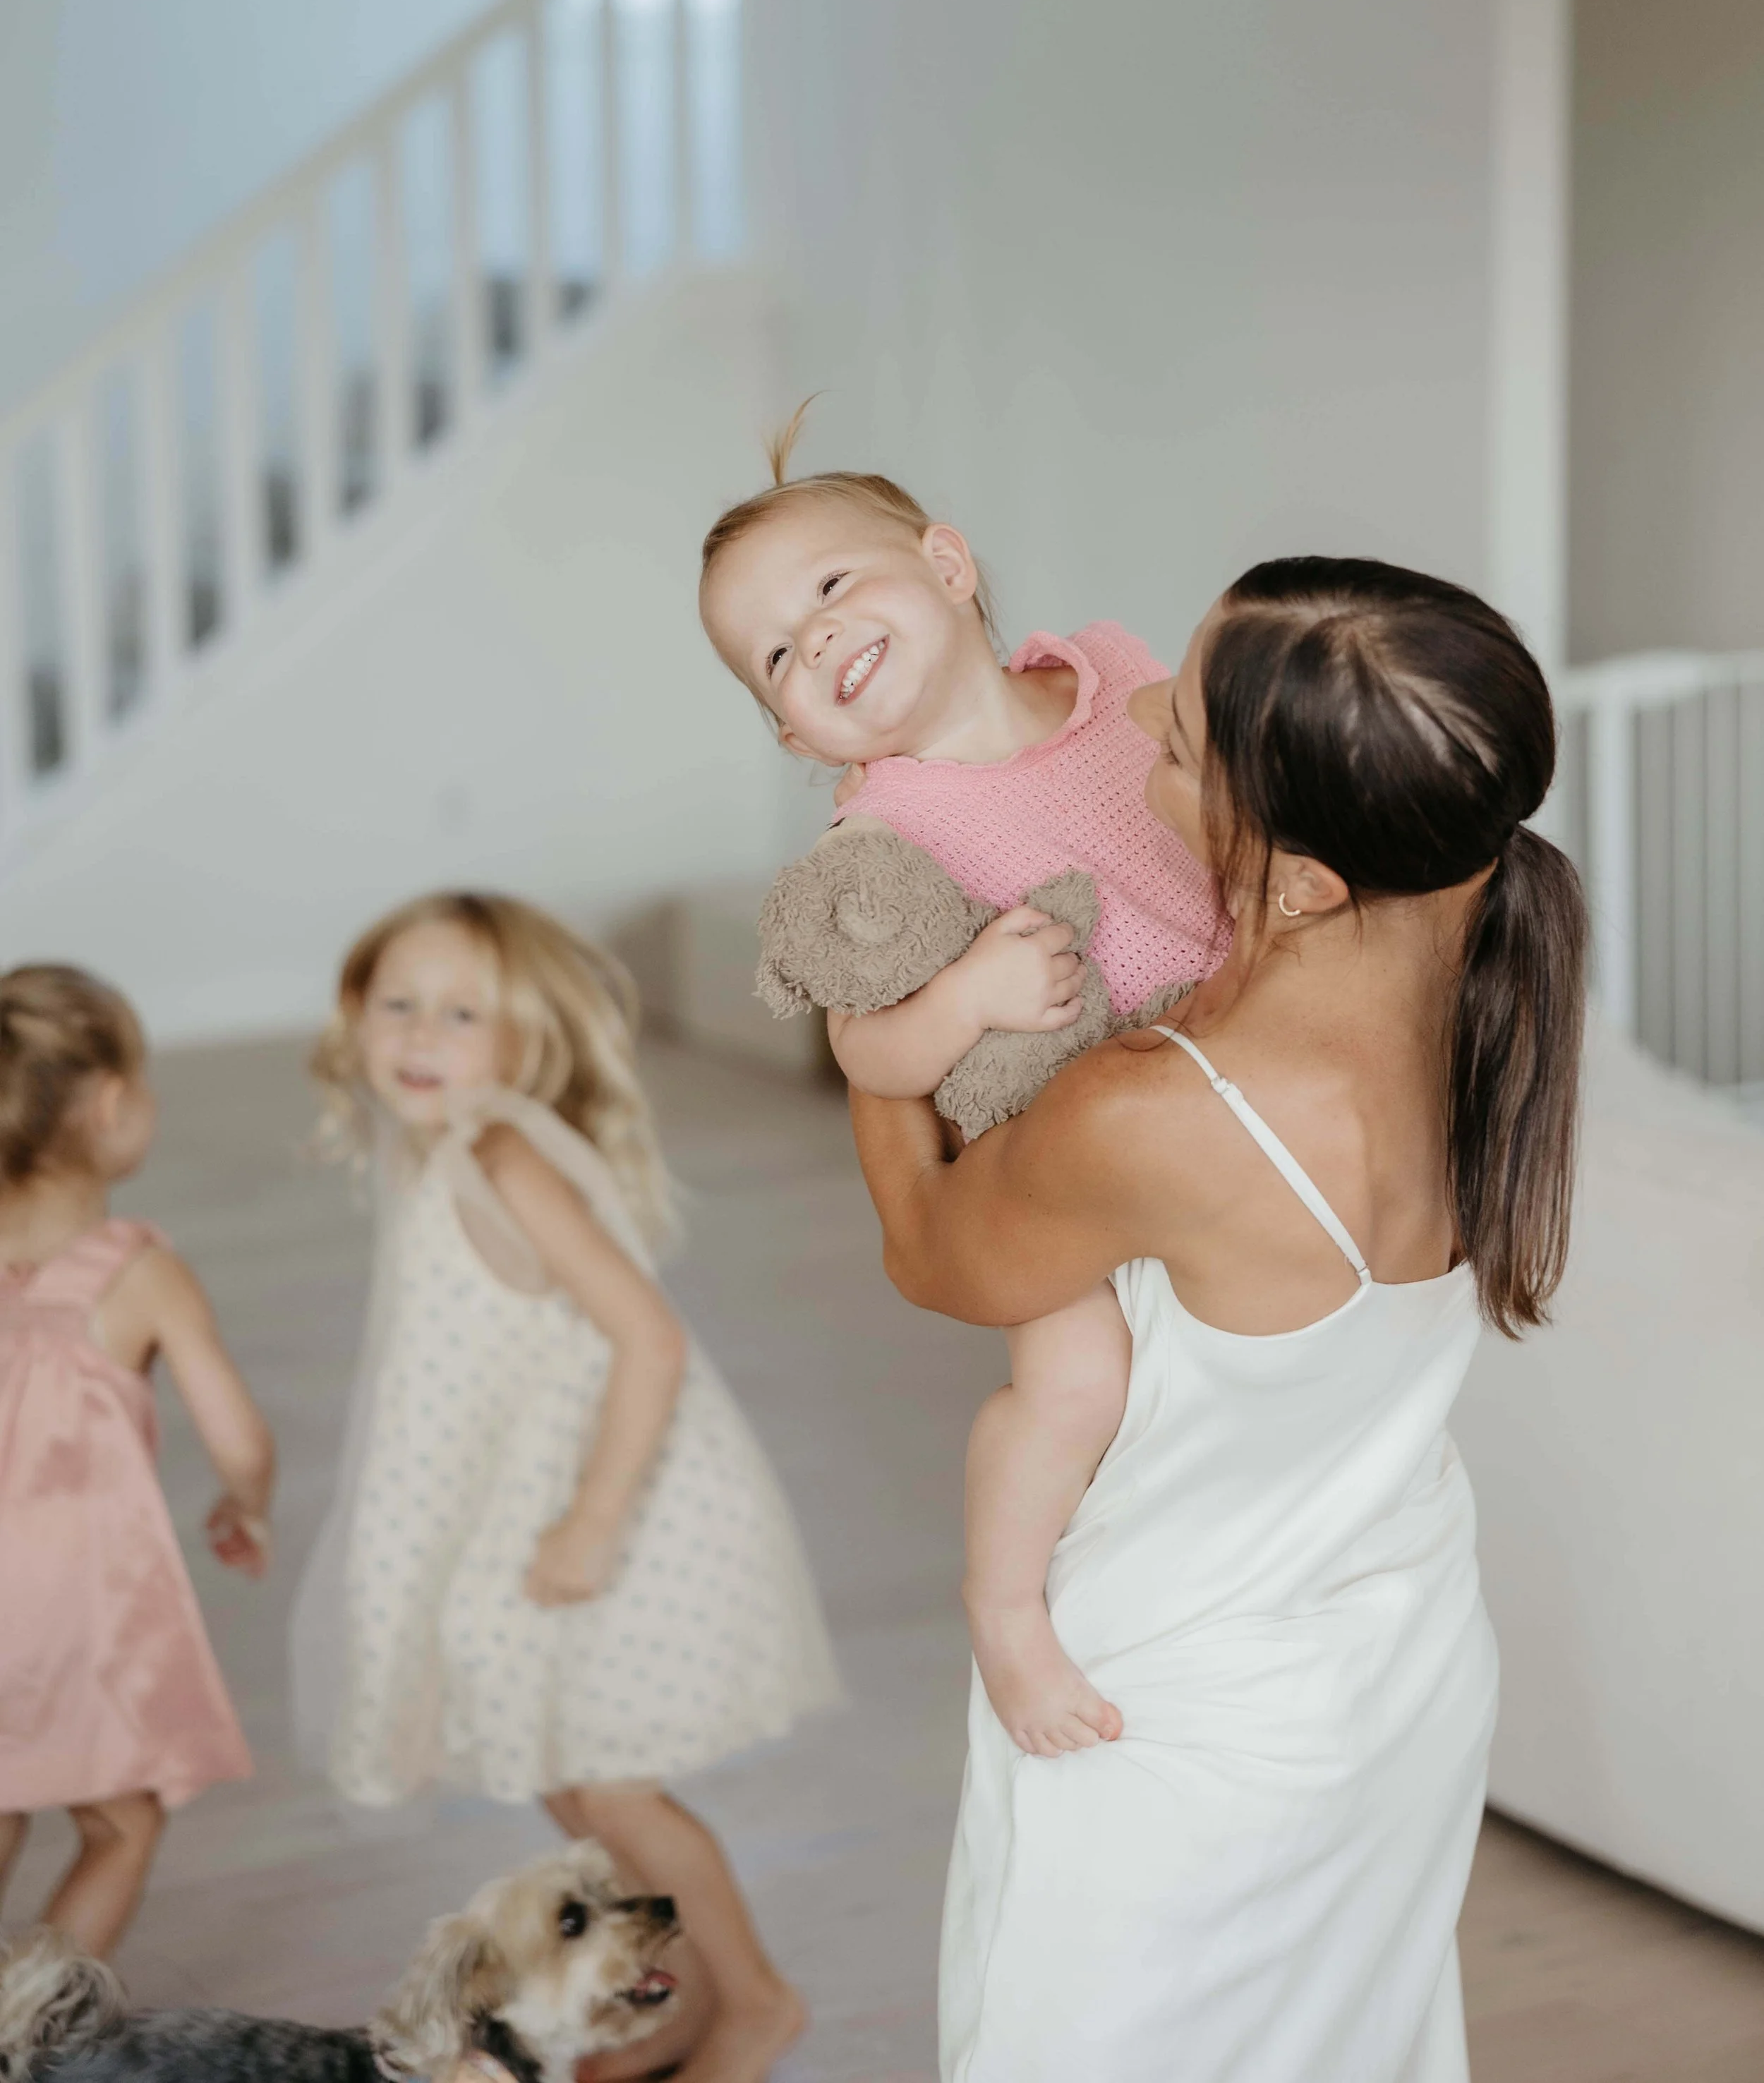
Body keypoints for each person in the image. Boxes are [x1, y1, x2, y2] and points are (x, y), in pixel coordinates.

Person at [850, 557, 1587, 2083]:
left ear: (1309, 878)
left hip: (1165, 1726)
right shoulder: (1483, 1001)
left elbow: (931, 1250)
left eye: (1173, 740)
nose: (1126, 730)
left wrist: (871, 1008)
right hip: (1396, 1675)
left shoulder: (1157, 1114)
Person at [700, 425, 1226, 1758]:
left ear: (945, 563)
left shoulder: (1114, 673)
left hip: (1226, 1065)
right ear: (790, 730)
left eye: (826, 591)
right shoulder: (884, 827)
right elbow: (866, 1055)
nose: (811, 642)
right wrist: (969, 999)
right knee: (1075, 1381)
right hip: (1059, 1138)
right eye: (775, 654)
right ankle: (1004, 1611)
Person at [292, 894, 838, 2083]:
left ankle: (753, 2002)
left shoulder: (503, 1149)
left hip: (603, 1506)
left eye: (462, 1011)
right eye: (399, 1004)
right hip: (518, 1501)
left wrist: (591, 1520)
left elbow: (650, 1338)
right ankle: (669, 1999)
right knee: (556, 1765)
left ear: (526, 1039)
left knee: (610, 1784)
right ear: (355, 1015)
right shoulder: (444, 1148)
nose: (421, 1033)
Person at [0, 965, 272, 1956]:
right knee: (120, 1822)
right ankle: (24, 2033)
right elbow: (240, 1437)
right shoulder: (140, 1273)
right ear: (112, 1104)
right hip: (73, 1609)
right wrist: (248, 1505)